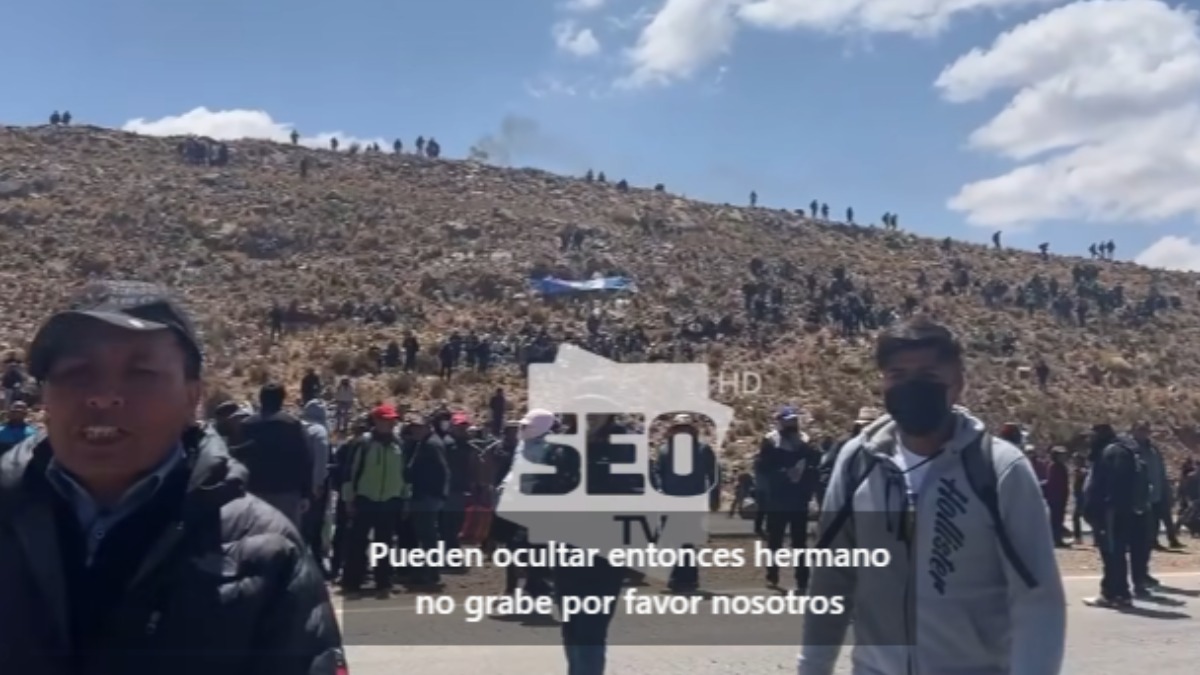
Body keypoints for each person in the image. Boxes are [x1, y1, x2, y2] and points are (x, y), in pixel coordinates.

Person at [0, 279, 341, 673]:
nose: (103, 395)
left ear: (192, 398)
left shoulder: (264, 553)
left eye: (140, 372)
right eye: (78, 371)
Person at [801, 317, 1065, 675]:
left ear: (957, 384)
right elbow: (831, 582)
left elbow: (1036, 598)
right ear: (883, 383)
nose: (912, 387)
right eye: (898, 375)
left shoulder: (997, 469)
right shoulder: (857, 463)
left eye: (928, 376)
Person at [1086, 420, 1159, 604]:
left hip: (1112, 512)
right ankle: (1118, 592)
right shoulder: (1122, 450)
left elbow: (1111, 485)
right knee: (1115, 552)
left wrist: (1104, 507)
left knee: (1112, 553)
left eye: (1093, 435)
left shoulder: (1111, 452)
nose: (1090, 439)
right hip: (1124, 511)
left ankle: (1115, 593)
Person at [340, 404, 409, 595]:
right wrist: (349, 500)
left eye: (392, 420)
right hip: (365, 499)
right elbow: (349, 474)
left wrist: (405, 498)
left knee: (384, 543)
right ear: (376, 421)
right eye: (385, 420)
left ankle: (383, 582)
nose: (389, 424)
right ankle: (352, 582)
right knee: (358, 542)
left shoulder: (398, 445)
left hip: (389, 500)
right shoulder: (363, 444)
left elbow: (404, 474)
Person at [755, 405, 821, 592]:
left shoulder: (805, 441)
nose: (791, 424)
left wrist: (809, 486)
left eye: (794, 420)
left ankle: (802, 580)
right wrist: (782, 474)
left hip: (798, 498)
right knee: (775, 539)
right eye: (787, 421)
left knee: (799, 541)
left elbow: (814, 464)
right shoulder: (771, 441)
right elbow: (762, 468)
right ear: (780, 422)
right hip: (777, 497)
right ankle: (772, 575)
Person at [654, 413, 717, 592]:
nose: (682, 432)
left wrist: (714, 497)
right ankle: (676, 576)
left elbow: (713, 474)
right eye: (678, 429)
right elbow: (658, 472)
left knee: (687, 542)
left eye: (686, 429)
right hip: (669, 500)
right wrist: (658, 489)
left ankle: (688, 578)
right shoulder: (665, 450)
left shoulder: (702, 450)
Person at [237, 383, 314, 526]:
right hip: (287, 493)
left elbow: (238, 457)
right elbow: (305, 459)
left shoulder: (247, 425)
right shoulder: (293, 425)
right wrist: (305, 493)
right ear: (282, 399)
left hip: (254, 492)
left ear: (260, 399)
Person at [301, 400, 332, 569]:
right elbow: (321, 457)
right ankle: (317, 564)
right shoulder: (319, 431)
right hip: (315, 487)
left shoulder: (297, 427)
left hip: (296, 485)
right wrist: (318, 483)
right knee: (317, 524)